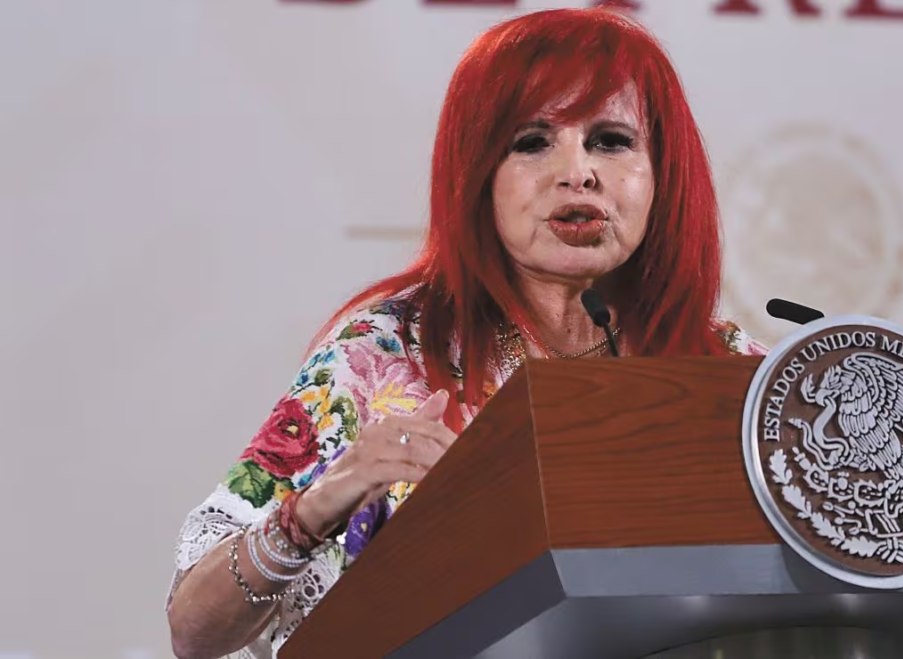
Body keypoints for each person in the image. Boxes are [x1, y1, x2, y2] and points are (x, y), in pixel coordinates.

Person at [165, 7, 766, 659]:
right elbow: (193, 632)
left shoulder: (735, 380)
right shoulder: (384, 354)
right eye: (532, 142)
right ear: (477, 175)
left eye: (611, 140)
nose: (577, 172)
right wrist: (314, 509)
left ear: (663, 172)